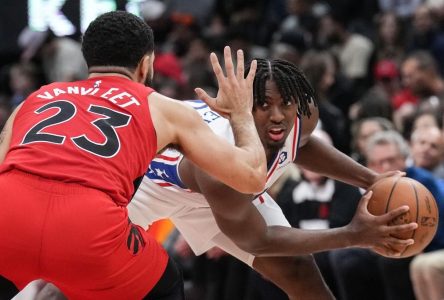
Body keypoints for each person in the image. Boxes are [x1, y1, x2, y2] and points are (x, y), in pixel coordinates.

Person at [13, 59, 418, 300]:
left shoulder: (301, 117)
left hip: (223, 196)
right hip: (154, 184)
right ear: (242, 109)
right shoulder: (220, 155)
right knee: (66, 284)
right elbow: (257, 240)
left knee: (298, 271)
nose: (277, 116)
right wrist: (354, 234)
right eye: (262, 106)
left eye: (285, 106)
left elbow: (302, 144)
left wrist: (370, 178)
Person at [0, 11, 268, 300]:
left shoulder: (37, 97)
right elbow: (252, 178)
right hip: (86, 226)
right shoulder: (163, 107)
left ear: (89, 59)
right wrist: (241, 113)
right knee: (167, 282)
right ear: (146, 63)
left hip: (9, 211)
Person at [330, 130, 444, 300]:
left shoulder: (423, 182)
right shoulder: (370, 187)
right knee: (344, 258)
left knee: (391, 261)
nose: (384, 167)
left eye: (390, 160)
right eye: (376, 163)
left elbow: (436, 228)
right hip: (380, 244)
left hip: (416, 245)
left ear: (404, 158)